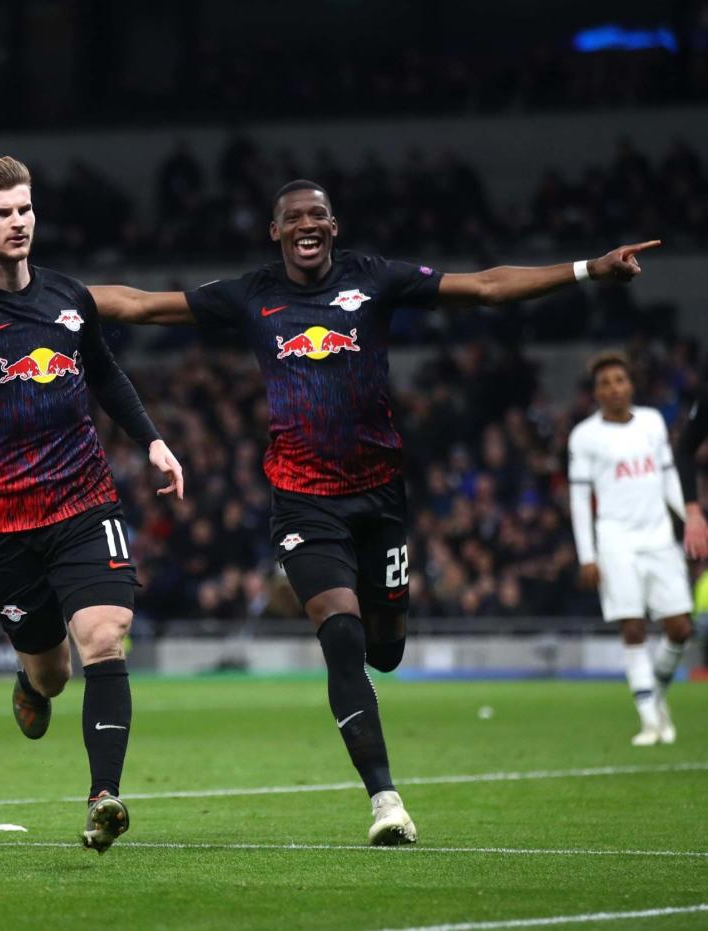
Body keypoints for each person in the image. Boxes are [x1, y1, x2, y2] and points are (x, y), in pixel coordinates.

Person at [87, 178, 658, 845]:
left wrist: (588, 267)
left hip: (381, 497)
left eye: (318, 215)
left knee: (385, 647)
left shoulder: (375, 278)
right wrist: (40, 291)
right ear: (275, 232)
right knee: (343, 635)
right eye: (294, 217)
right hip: (303, 499)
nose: (307, 224)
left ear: (334, 225)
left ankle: (382, 683)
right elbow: (139, 305)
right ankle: (386, 800)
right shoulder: (253, 293)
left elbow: (485, 287)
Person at [0, 156, 184, 853]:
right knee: (51, 669)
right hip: (5, 523)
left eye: (25, 209)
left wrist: (151, 440)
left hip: (86, 501)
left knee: (105, 636)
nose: (19, 222)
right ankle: (31, 683)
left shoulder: (67, 296)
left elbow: (107, 376)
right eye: (2, 213)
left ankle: (103, 796)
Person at [568, 352, 692, 745]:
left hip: (658, 537)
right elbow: (578, 500)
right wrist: (587, 556)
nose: (613, 388)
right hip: (616, 541)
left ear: (630, 385)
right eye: (605, 383)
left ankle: (653, 693)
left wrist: (692, 520)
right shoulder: (585, 436)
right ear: (596, 393)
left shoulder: (653, 422)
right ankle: (649, 721)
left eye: (619, 380)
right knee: (633, 628)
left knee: (680, 629)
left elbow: (669, 476)